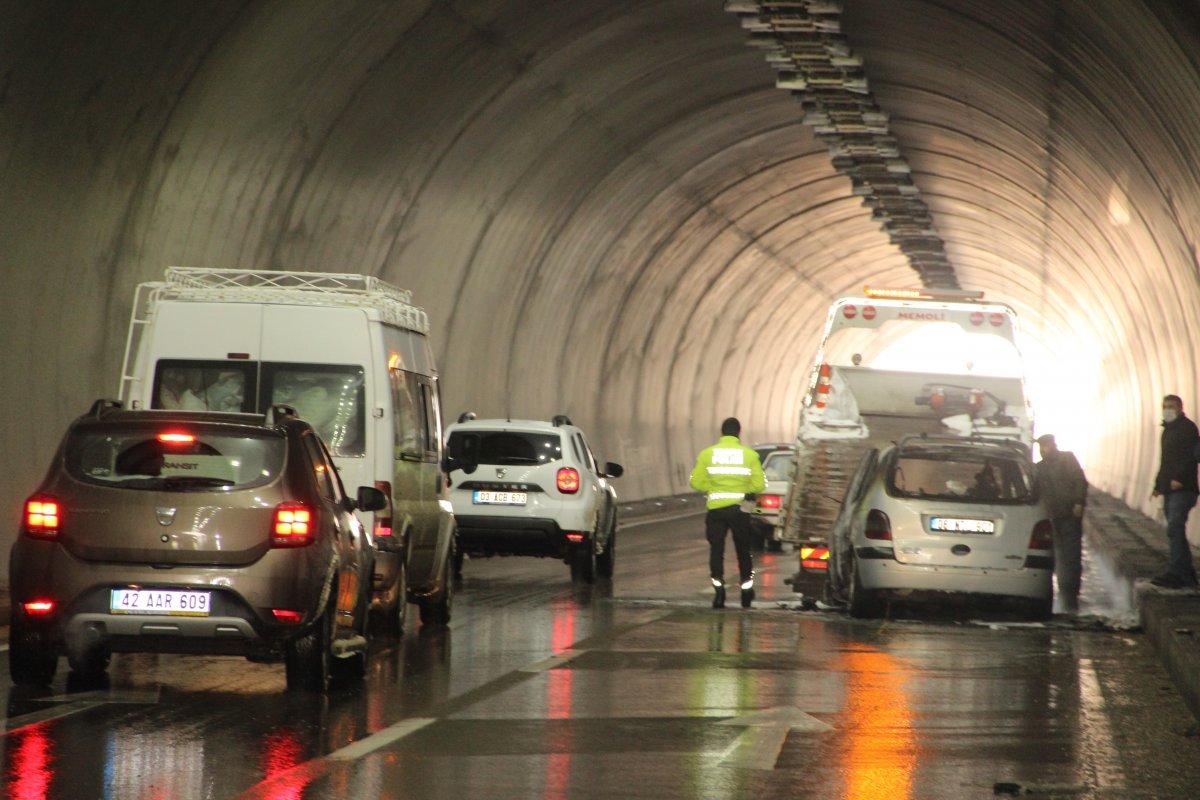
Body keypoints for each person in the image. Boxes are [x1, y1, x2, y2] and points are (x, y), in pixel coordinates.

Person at [689, 417, 766, 609]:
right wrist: (744, 489)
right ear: (739, 432)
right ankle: (746, 592)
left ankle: (719, 592)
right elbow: (759, 485)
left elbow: (696, 482)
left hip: (716, 510)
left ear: (721, 433)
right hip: (740, 510)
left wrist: (713, 488)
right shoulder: (749, 455)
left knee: (717, 550)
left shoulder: (707, 454)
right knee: (743, 550)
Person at [1034, 435, 1088, 612]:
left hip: (1069, 514)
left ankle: (1071, 595)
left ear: (1053, 445)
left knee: (1071, 554)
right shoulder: (1039, 468)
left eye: (1045, 446)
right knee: (1055, 555)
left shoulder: (1067, 459)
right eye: (1041, 447)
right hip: (1050, 517)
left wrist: (1079, 502)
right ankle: (1058, 592)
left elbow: (1080, 480)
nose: (1043, 450)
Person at [1151, 395, 1199, 589]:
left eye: (1171, 406)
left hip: (1184, 489)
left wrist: (1180, 478)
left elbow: (1192, 457)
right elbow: (1165, 462)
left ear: (1180, 408)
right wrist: (1158, 485)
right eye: (1165, 406)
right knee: (1175, 529)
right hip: (1171, 489)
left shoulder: (1187, 428)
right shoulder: (1168, 431)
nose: (1167, 410)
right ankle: (1185, 573)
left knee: (1175, 527)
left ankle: (1177, 573)